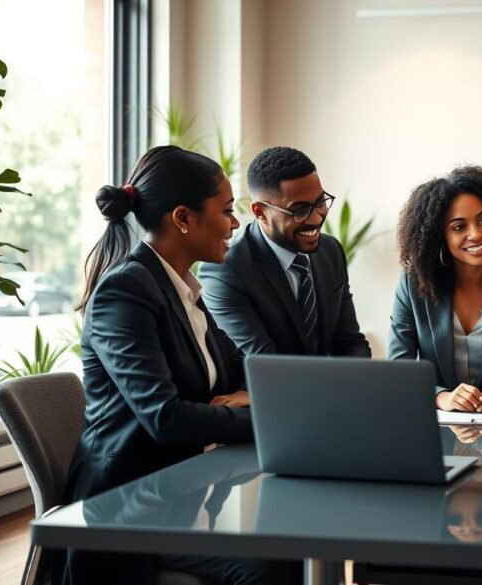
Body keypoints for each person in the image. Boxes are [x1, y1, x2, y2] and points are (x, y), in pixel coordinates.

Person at [59, 145, 298, 585]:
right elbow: (165, 418)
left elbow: (243, 370)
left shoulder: (184, 290)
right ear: (183, 218)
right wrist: (260, 416)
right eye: (226, 210)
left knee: (291, 547)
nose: (234, 223)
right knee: (275, 565)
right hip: (128, 509)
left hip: (185, 489)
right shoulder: (125, 292)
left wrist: (251, 395)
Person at [388, 165, 482, 412]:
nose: (476, 234)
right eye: (459, 227)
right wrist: (442, 397)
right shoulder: (412, 284)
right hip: (435, 428)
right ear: (440, 235)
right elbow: (399, 371)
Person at [200, 146, 370, 357]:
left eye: (320, 203)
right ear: (260, 212)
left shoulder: (330, 251)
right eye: (299, 210)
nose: (316, 219)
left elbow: (350, 343)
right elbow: (267, 363)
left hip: (331, 386)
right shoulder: (226, 269)